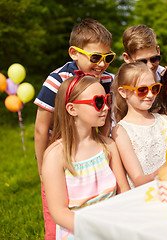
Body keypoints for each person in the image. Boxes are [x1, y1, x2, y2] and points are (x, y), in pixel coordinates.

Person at [33, 18, 116, 239]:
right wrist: (43, 169)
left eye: (108, 58)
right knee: (56, 216)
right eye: (95, 57)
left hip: (91, 152)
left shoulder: (107, 78)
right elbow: (42, 128)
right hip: (61, 155)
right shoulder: (57, 79)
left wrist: (101, 145)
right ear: (74, 53)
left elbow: (107, 116)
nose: (102, 64)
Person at [42, 71, 130, 239]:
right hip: (79, 232)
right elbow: (59, 213)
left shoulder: (108, 146)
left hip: (114, 227)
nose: (105, 107)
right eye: (98, 102)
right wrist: (98, 230)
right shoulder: (56, 156)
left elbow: (123, 190)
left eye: (106, 101)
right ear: (72, 109)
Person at [111, 62, 167, 188]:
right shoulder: (121, 131)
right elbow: (138, 180)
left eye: (154, 88)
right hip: (148, 195)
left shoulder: (164, 120)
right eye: (142, 90)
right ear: (123, 92)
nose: (150, 95)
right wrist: (162, 170)